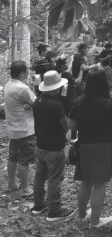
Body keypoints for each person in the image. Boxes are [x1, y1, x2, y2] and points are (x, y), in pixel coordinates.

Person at [69, 71, 112, 228]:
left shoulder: (79, 102)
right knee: (100, 184)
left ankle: (82, 215)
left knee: (86, 182)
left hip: (85, 146)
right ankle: (95, 221)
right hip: (104, 146)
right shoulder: (109, 103)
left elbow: (71, 125)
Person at [31, 71, 75, 220]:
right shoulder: (56, 105)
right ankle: (54, 210)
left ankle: (38, 204)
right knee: (55, 179)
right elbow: (66, 126)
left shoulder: (38, 101)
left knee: (40, 175)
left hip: (40, 144)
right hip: (54, 146)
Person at [4, 61, 38, 196]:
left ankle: (12, 183)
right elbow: (37, 103)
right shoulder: (22, 88)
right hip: (25, 130)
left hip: (13, 128)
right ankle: (25, 188)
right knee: (24, 160)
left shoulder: (8, 84)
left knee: (13, 157)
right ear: (22, 73)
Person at [55, 58, 78, 142]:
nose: (67, 65)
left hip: (59, 99)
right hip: (69, 99)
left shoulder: (55, 73)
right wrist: (82, 71)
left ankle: (61, 136)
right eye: (66, 63)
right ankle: (73, 137)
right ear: (62, 65)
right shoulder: (66, 74)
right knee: (73, 117)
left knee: (62, 118)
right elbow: (77, 82)